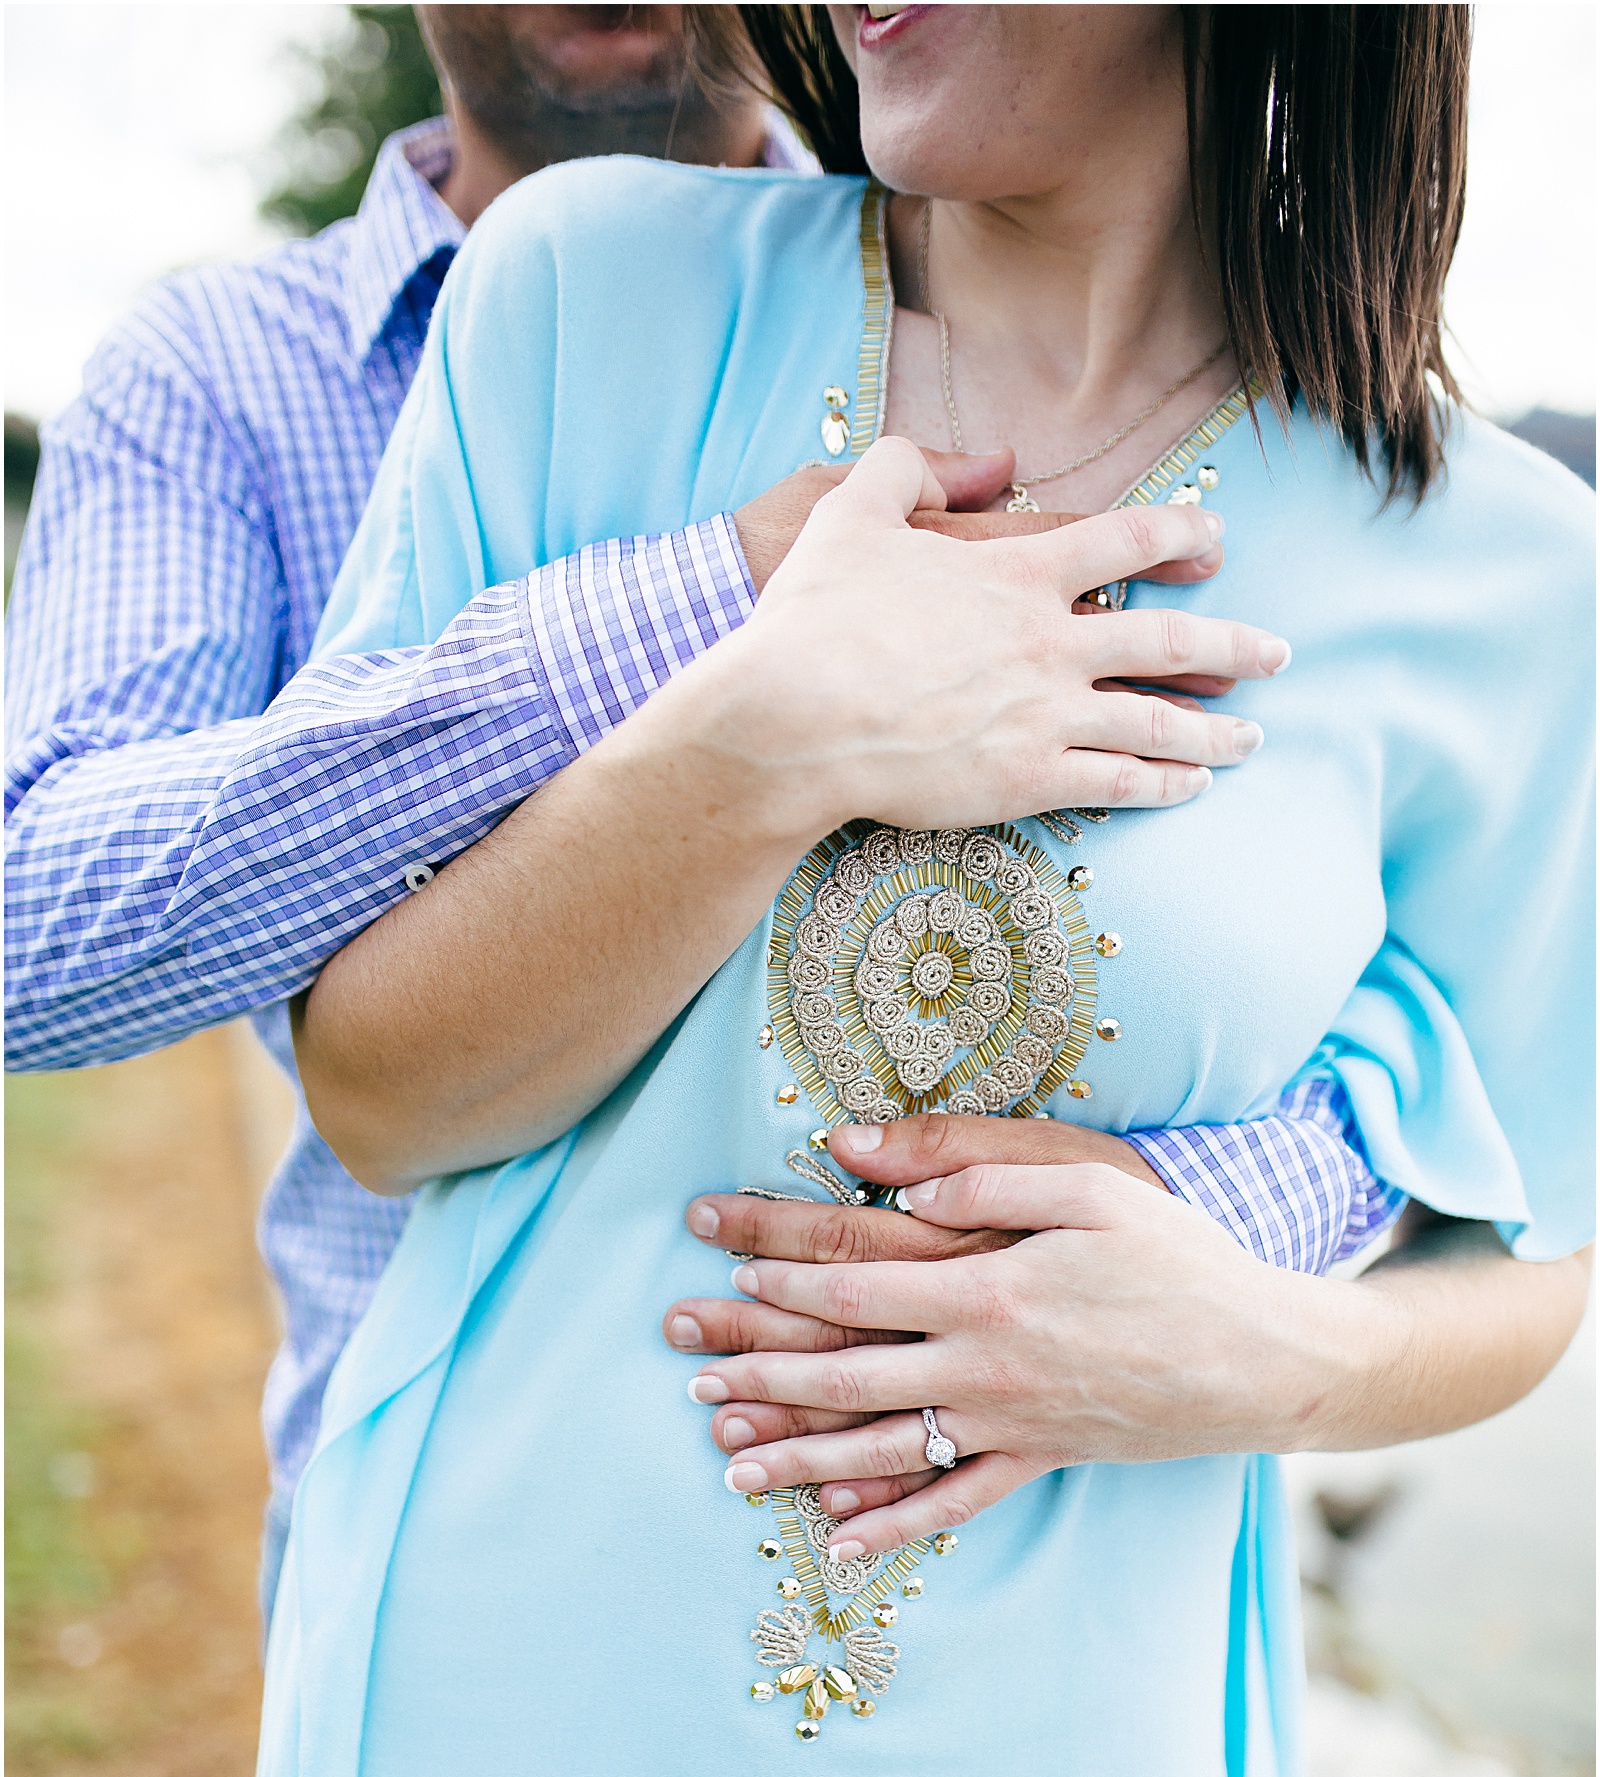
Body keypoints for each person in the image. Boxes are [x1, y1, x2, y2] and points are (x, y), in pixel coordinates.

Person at [231, 6, 1592, 1777]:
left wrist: (1255, 1354)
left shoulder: (1502, 568)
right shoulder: (583, 308)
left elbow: (1533, 1266)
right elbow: (373, 1089)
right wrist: (770, 735)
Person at [4, 2, 1377, 1630]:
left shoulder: (1097, 343)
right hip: (448, 1545)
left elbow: (1413, 1051)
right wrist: (719, 617)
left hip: (1024, 1620)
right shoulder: (231, 371)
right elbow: (36, 933)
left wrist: (1193, 1233)